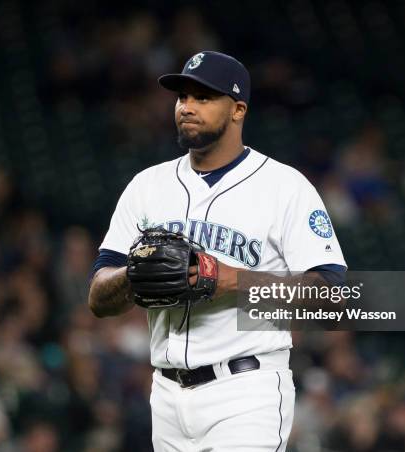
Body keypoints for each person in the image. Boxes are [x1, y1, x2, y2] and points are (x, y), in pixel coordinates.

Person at [88, 51, 346, 451]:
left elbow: (331, 294)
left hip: (247, 391)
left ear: (238, 109)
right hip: (166, 394)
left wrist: (230, 280)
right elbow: (99, 298)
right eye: (182, 97)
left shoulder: (284, 187)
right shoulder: (147, 186)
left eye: (203, 98)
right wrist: (134, 275)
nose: (187, 107)